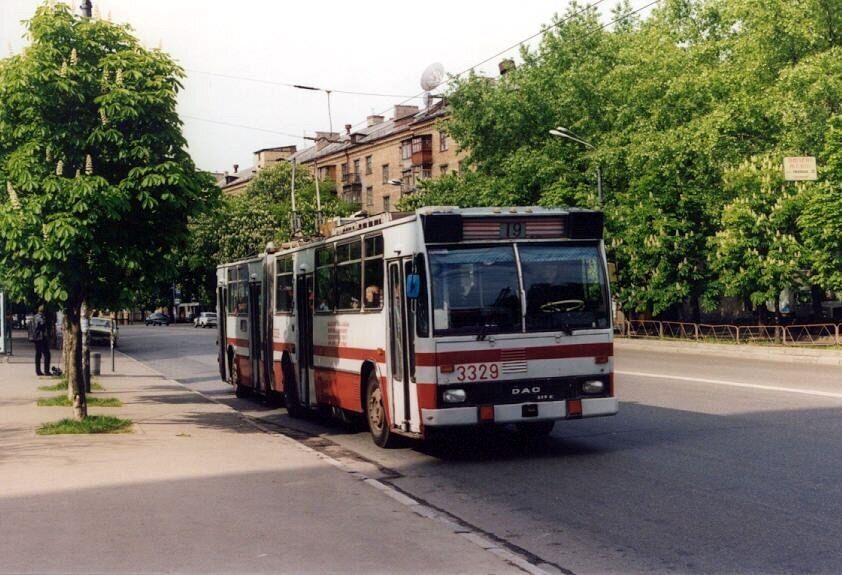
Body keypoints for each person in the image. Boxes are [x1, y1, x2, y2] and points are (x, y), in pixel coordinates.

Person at [31, 306, 51, 376]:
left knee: (38, 354)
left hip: (36, 338)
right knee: (47, 354)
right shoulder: (41, 317)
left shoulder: (34, 317)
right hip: (41, 337)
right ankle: (46, 371)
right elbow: (42, 325)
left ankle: (38, 371)